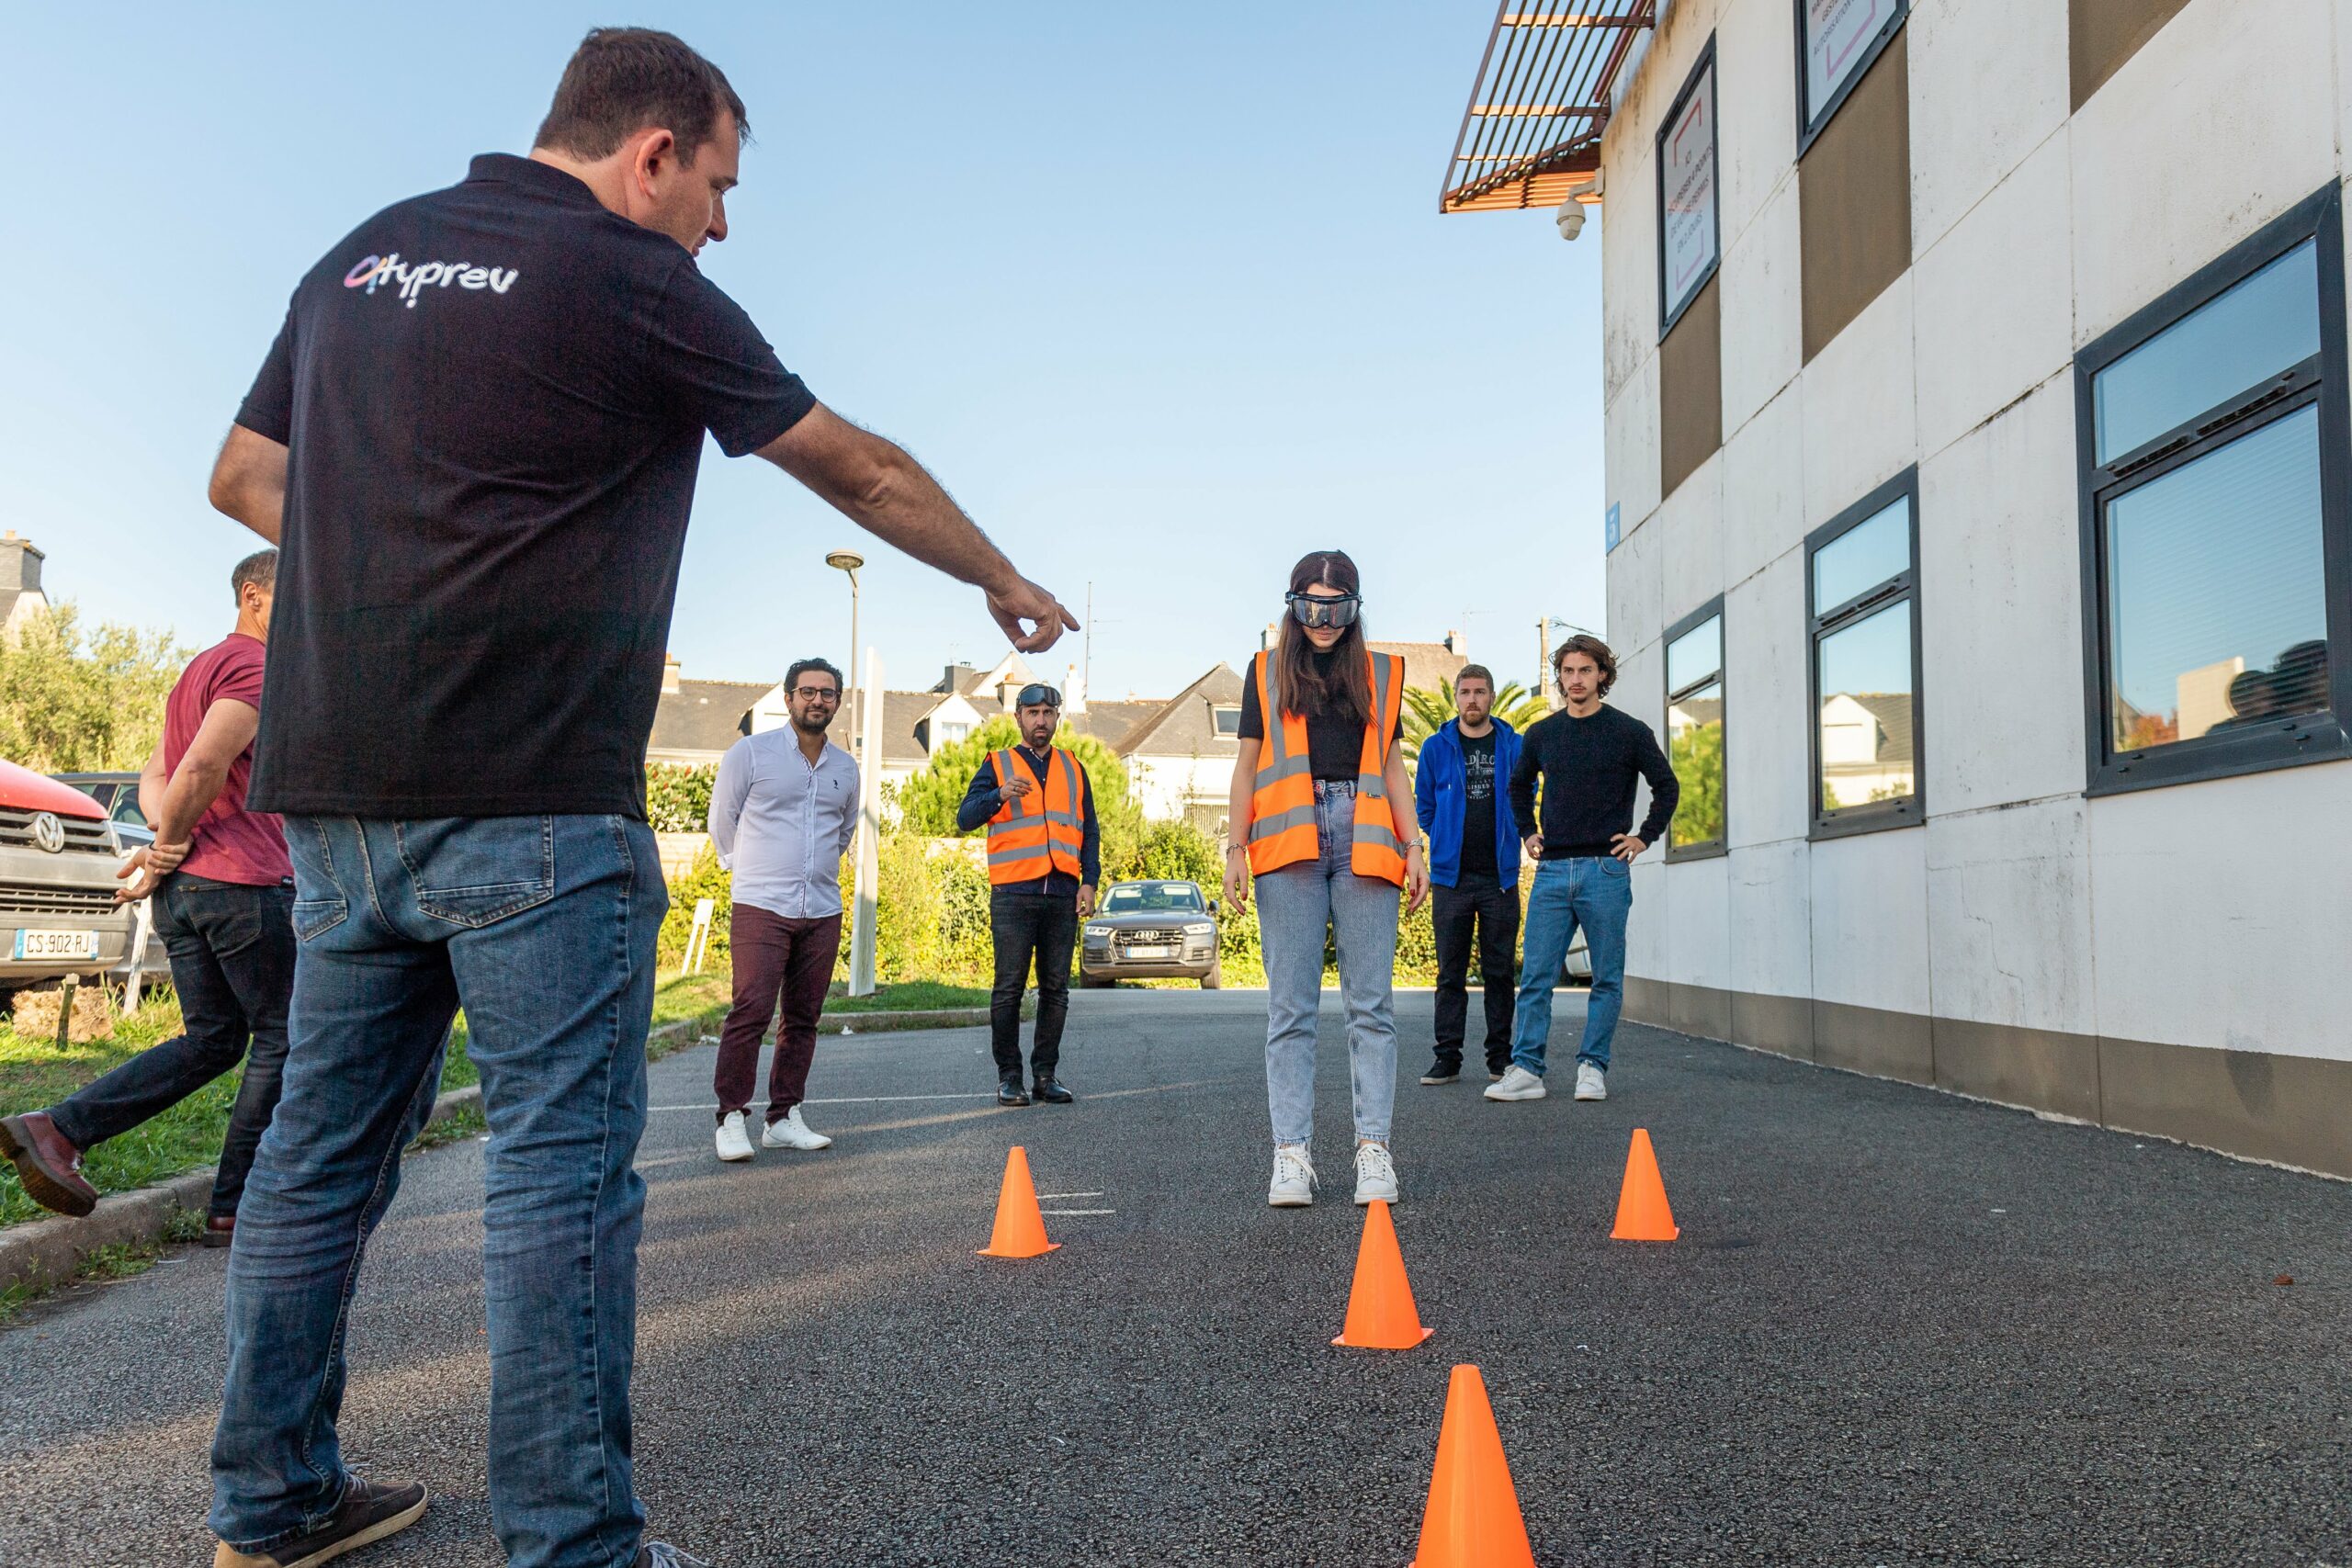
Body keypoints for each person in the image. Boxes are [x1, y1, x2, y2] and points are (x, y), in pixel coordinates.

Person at [200, 28, 1076, 1568]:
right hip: (534, 801)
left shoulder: (359, 259)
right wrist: (1000, 574)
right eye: (721, 185)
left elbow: (241, 475)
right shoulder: (626, 276)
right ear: (651, 153)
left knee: (315, 1158)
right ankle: (574, 1546)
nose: (723, 223)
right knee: (554, 1177)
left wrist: (396, 553)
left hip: (338, 804)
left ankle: (266, 1503)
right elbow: (857, 469)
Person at [0, 549, 292, 1246]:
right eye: (297, 593)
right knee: (286, 1037)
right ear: (253, 597)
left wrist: (168, 842)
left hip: (188, 892)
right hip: (243, 884)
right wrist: (173, 837)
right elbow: (199, 765)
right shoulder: (254, 667)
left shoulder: (199, 669)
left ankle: (59, 1126)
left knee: (215, 1038)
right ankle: (237, 1204)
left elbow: (151, 775)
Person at [1224, 550, 1428, 1208]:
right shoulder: (1266, 671)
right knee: (1291, 1008)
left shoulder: (1382, 674)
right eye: (1310, 606)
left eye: (1335, 607)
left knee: (1372, 1005)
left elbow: (1394, 766)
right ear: (1292, 606)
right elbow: (1247, 766)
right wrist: (1234, 846)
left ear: (1354, 609)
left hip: (1365, 836)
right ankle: (1291, 1155)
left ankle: (1375, 1150)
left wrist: (1413, 843)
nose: (1322, 620)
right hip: (1287, 839)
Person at [1487, 636, 1677, 1107]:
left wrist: (1643, 837)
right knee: (1535, 977)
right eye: (1568, 671)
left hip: (1605, 872)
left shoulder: (1629, 732)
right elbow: (1517, 786)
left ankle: (1592, 1068)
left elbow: (1666, 786)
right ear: (1561, 677)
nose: (1576, 680)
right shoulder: (1542, 734)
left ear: (1603, 676)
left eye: (1586, 671)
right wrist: (1527, 831)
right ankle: (1527, 1069)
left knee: (1606, 977)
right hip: (1552, 871)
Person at [707, 658, 856, 1163]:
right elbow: (722, 822)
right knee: (750, 1010)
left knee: (803, 1017)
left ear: (837, 701)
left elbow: (843, 834)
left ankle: (782, 1118)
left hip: (821, 906)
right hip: (761, 904)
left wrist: (813, 874)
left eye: (828, 693)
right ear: (789, 697)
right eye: (808, 691)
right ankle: (730, 1119)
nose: (818, 700)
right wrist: (747, 872)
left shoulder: (845, 768)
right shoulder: (751, 753)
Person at [955, 683, 1099, 1106]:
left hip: (1062, 892)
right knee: (1009, 988)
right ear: (1018, 717)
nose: (1041, 720)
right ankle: (1009, 1077)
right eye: (1032, 712)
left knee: (1056, 989)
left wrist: (1089, 880)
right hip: (1014, 893)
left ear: (1058, 717)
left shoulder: (1074, 766)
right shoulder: (997, 764)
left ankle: (1045, 1075)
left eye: (1048, 712)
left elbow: (1089, 829)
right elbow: (965, 817)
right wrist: (998, 794)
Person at [1410, 664, 1523, 1086]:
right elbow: (1424, 803)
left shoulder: (1514, 745)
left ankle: (1500, 1059)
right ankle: (1448, 1059)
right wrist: (1439, 835)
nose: (1472, 699)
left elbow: (1526, 794)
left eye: (1479, 691)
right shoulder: (1436, 747)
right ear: (1455, 698)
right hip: (1451, 879)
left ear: (1491, 696)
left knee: (1499, 973)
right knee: (1449, 974)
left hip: (1501, 878)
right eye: (1465, 692)